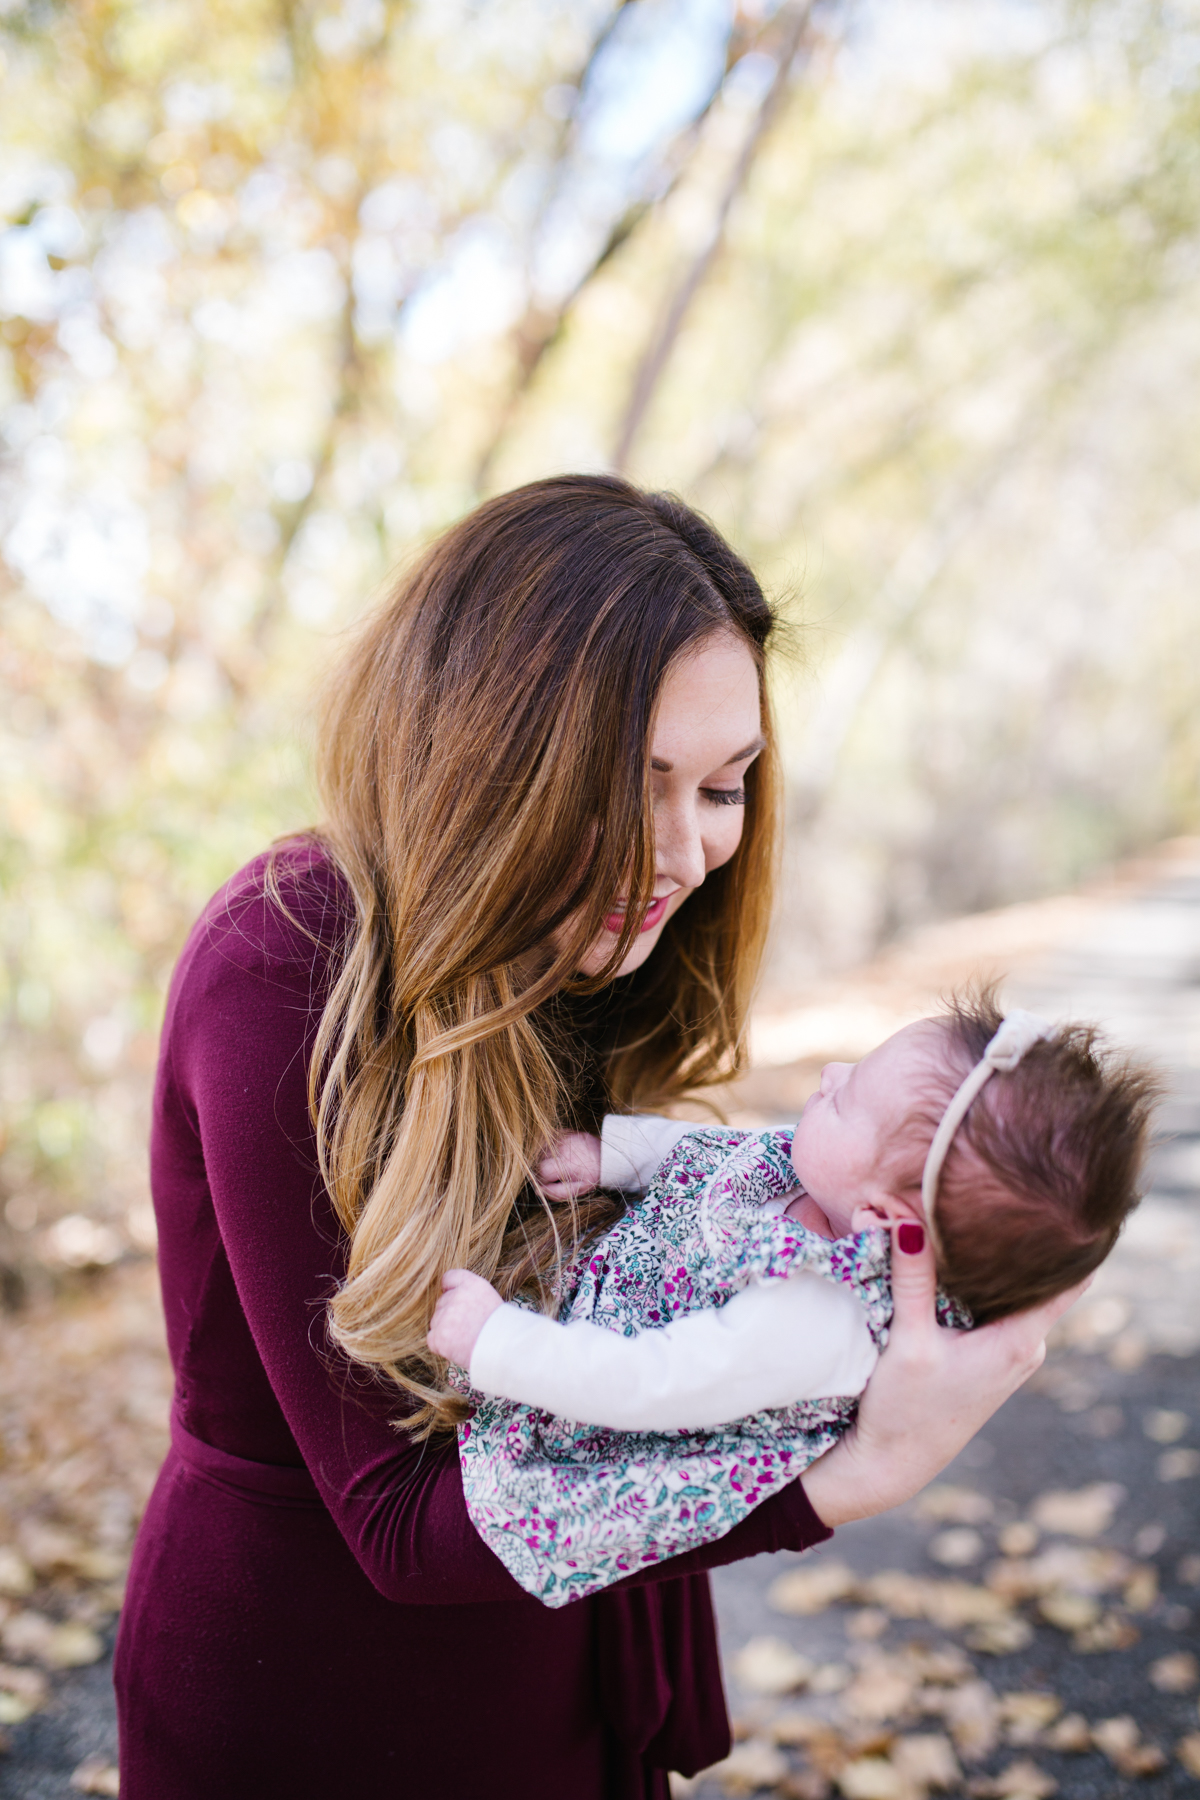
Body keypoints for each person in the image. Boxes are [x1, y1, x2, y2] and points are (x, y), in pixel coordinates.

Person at [114, 475, 1081, 1800]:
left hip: (559, 1651)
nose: (685, 853)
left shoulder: (584, 954)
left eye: (726, 788)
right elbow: (397, 1526)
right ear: (492, 744)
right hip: (321, 1693)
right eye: (639, 782)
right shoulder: (285, 962)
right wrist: (854, 1476)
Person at [427, 997, 1156, 1604]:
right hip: (605, 1295)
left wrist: (500, 1342)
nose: (831, 1075)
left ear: (881, 1222)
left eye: (847, 1098)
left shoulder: (818, 1320)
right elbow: (715, 1153)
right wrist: (612, 1157)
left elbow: (653, 1383)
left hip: (578, 1386)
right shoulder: (824, 1177)